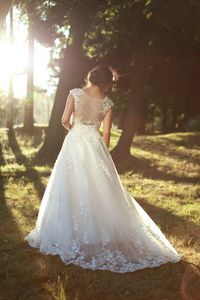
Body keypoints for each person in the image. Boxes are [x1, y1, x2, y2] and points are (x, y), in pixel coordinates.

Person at [25, 65, 182, 273]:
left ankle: (69, 229)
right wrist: (101, 152)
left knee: (69, 182)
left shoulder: (75, 93)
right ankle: (99, 229)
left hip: (74, 141)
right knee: (97, 185)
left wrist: (76, 132)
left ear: (90, 77)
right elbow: (106, 134)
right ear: (106, 83)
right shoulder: (107, 103)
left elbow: (64, 120)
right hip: (94, 144)